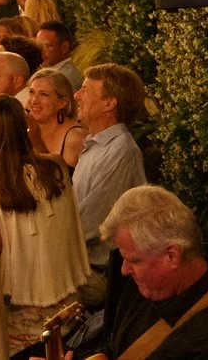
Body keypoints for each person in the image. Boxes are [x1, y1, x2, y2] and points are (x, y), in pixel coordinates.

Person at [0, 97, 90, 352]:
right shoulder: (55, 167)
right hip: (68, 310)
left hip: (22, 321)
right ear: (26, 129)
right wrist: (35, 138)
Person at [92, 186, 208, 359]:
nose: (124, 270)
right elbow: (114, 349)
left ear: (172, 255)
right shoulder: (145, 286)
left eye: (134, 261)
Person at [74, 63, 149, 268]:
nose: (77, 96)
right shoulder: (96, 144)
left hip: (95, 271)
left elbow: (89, 225)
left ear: (109, 104)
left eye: (85, 90)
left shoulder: (121, 153)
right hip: (78, 261)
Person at [26, 67, 86, 169]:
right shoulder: (27, 129)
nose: (34, 100)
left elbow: (59, 181)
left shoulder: (75, 138)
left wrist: (37, 144)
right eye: (31, 92)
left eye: (43, 94)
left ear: (62, 103)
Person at [36, 21, 83, 90]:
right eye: (39, 46)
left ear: (64, 47)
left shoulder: (66, 78)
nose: (41, 51)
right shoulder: (49, 71)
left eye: (47, 46)